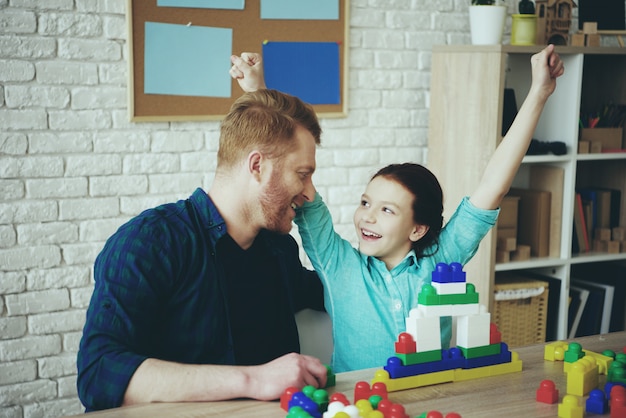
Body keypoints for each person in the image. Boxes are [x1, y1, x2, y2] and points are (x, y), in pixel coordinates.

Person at [230, 45, 565, 372]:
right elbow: (292, 173)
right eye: (365, 203)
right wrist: (256, 90)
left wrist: (539, 92)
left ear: (417, 229)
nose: (367, 216)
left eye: (387, 210)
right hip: (361, 405)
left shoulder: (441, 261)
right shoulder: (339, 265)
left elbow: (494, 185)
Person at [76, 89, 330, 411]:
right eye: (303, 174)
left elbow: (335, 288)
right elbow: (99, 373)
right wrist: (254, 379)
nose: (310, 193)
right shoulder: (150, 242)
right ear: (257, 166)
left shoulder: (278, 248)